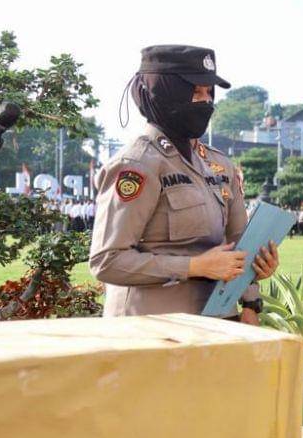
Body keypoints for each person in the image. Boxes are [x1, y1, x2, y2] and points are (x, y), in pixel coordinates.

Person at [90, 45, 278, 321]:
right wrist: (195, 266)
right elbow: (107, 261)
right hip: (150, 329)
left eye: (209, 93)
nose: (206, 102)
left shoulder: (219, 164)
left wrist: (252, 297)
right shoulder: (137, 165)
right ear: (166, 93)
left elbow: (240, 242)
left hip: (216, 324)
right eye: (195, 92)